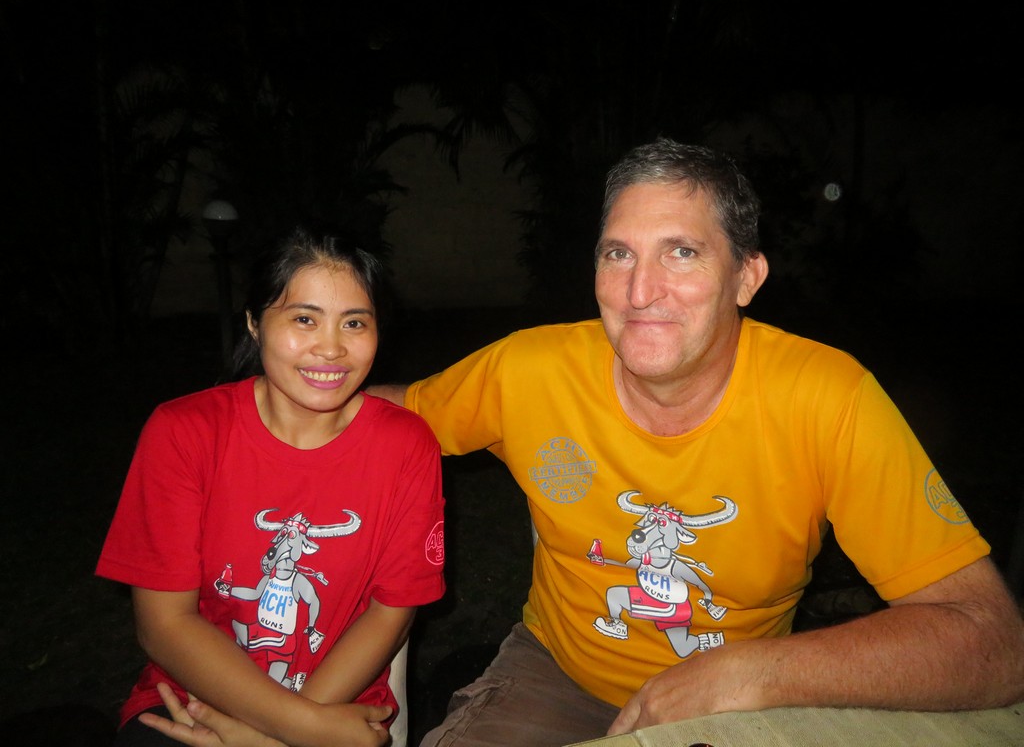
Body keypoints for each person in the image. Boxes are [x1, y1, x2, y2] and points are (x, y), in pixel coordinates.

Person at [154, 138, 1024, 747]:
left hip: (738, 702)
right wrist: (230, 418)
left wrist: (743, 677)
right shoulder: (532, 369)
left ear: (747, 276)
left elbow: (993, 642)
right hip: (555, 678)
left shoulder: (826, 398)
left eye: (681, 252)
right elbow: (386, 411)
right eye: (618, 253)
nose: (641, 290)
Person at [95, 224, 446, 747]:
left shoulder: (406, 445)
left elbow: (390, 613)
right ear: (254, 324)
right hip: (197, 705)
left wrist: (279, 737)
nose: (332, 348)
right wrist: (297, 728)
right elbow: (164, 623)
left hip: (341, 706)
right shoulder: (184, 432)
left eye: (354, 322)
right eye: (304, 319)